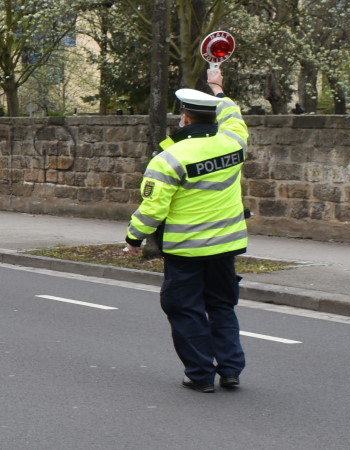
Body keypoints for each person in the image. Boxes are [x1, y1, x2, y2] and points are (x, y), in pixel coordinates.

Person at [125, 68, 248, 393]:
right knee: (222, 305)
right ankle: (231, 369)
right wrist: (217, 87)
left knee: (185, 308)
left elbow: (152, 210)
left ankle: (200, 374)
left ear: (186, 119)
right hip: (226, 247)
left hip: (186, 251)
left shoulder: (168, 159)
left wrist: (133, 238)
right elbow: (233, 114)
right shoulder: (234, 142)